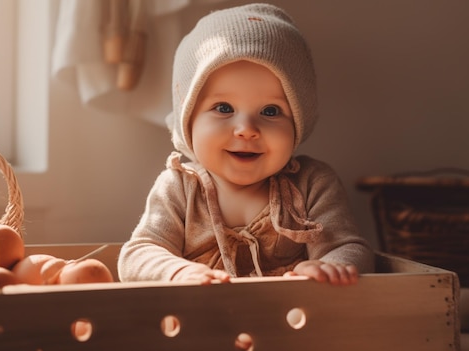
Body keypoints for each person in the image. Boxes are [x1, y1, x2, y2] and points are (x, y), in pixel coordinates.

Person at [117, 3, 374, 286]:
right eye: (224, 107)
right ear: (188, 119)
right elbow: (137, 254)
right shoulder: (179, 186)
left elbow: (350, 248)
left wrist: (331, 266)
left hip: (293, 323)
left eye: (270, 111)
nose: (247, 130)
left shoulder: (312, 184)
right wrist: (178, 272)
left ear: (299, 122)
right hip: (198, 323)